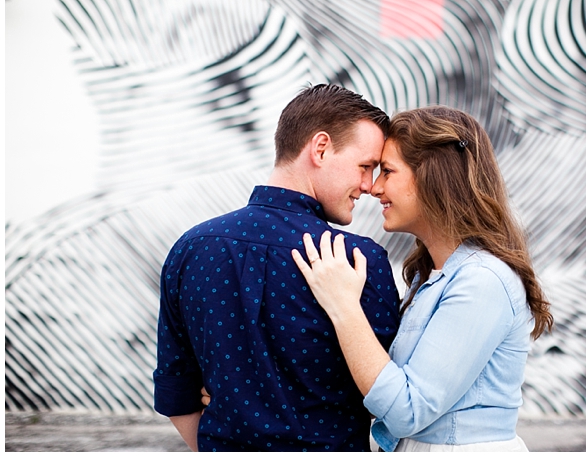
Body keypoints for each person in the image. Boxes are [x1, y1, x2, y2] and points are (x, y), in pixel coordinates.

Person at [153, 84, 401, 451]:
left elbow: (176, 391)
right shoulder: (359, 260)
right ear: (320, 148)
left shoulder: (191, 249)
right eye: (364, 167)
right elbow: (389, 396)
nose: (368, 185)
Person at [292, 105, 554, 451]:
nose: (373, 187)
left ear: (433, 177)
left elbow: (406, 410)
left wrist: (343, 306)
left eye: (387, 171)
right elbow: (385, 379)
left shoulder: (482, 281)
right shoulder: (431, 276)